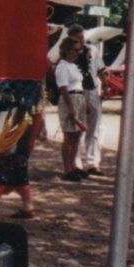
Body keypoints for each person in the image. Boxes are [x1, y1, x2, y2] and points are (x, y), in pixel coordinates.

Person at [0, 82, 42, 219]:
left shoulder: (11, 82)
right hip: (18, 125)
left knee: (0, 161)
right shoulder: (33, 84)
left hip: (11, 125)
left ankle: (26, 205)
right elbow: (37, 113)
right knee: (8, 163)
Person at [66, 24, 107, 176]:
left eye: (82, 38)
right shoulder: (68, 53)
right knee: (76, 129)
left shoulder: (93, 50)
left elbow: (100, 69)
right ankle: (75, 164)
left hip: (92, 90)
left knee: (94, 127)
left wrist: (106, 85)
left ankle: (92, 163)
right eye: (78, 39)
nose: (81, 41)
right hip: (76, 92)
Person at [55, 36, 89, 181]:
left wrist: (86, 103)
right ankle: (67, 168)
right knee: (69, 135)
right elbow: (63, 88)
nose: (77, 53)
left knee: (77, 135)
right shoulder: (62, 66)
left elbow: (79, 85)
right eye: (75, 50)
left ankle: (74, 165)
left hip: (79, 97)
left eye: (78, 50)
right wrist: (70, 108)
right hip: (70, 98)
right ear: (66, 50)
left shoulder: (73, 66)